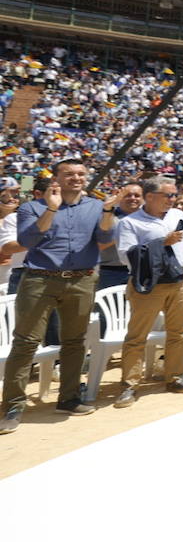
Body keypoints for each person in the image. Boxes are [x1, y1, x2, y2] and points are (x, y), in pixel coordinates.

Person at [1, 160, 121, 432]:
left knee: (75, 342)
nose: (76, 178)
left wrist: (107, 211)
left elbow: (106, 239)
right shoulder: (32, 207)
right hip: (39, 279)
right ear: (56, 178)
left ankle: (68, 398)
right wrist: (52, 208)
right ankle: (13, 405)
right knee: (25, 343)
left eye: (80, 174)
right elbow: (28, 240)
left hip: (81, 279)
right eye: (68, 174)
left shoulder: (94, 206)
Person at [112, 176, 183, 407]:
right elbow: (125, 254)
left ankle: (175, 377)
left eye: (174, 195)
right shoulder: (130, 222)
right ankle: (130, 384)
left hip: (180, 279)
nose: (173, 200)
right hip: (149, 283)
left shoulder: (179, 215)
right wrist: (162, 242)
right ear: (150, 197)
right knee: (137, 336)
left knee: (179, 332)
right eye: (168, 195)